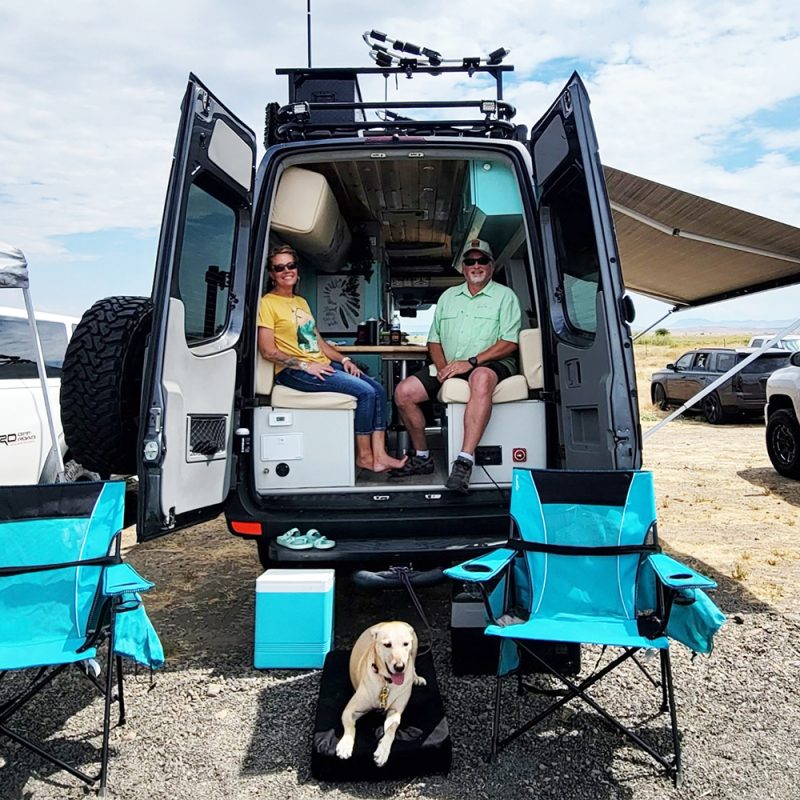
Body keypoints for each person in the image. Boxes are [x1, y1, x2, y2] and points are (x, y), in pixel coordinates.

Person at [257, 245, 407, 473]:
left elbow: (319, 343)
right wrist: (306, 365)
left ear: (297, 270)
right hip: (293, 372)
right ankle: (365, 457)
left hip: (319, 364)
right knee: (364, 392)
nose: (287, 271)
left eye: (291, 265)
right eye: (279, 268)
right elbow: (268, 351)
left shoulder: (300, 302)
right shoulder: (267, 303)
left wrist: (345, 360)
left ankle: (381, 454)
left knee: (377, 387)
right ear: (271, 274)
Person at [391, 238, 522, 493]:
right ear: (463, 268)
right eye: (470, 261)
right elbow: (434, 340)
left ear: (491, 266)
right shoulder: (448, 297)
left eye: (482, 260)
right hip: (451, 365)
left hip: (490, 364)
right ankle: (422, 456)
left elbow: (510, 342)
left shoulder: (505, 296)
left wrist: (470, 362)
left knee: (480, 377)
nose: (476, 265)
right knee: (403, 393)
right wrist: (443, 369)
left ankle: (464, 461)